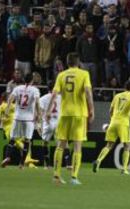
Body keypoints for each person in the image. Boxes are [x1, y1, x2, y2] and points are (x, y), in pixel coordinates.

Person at [46, 52, 94, 185]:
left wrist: (48, 111)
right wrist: (92, 109)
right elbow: (88, 92)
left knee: (60, 145)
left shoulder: (61, 75)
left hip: (65, 114)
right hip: (79, 114)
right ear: (78, 63)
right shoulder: (84, 74)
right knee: (78, 146)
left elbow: (54, 94)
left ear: (67, 63)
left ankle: (56, 175)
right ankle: (74, 177)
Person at [0, 93, 38, 168]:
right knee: (24, 143)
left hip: (7, 131)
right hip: (15, 128)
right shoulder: (12, 106)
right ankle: (27, 160)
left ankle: (22, 163)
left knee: (19, 144)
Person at [92, 81, 130, 175]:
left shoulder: (117, 96)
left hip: (113, 122)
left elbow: (110, 110)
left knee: (109, 145)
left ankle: (98, 160)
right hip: (124, 123)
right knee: (127, 145)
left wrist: (112, 119)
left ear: (124, 87)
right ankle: (124, 169)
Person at [1, 73, 41, 169]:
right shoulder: (35, 90)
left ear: (24, 80)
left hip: (17, 117)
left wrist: (6, 110)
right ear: (32, 80)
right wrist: (39, 115)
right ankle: (21, 163)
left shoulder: (17, 88)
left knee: (12, 139)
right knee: (27, 141)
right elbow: (37, 102)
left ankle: (7, 157)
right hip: (28, 119)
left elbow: (10, 99)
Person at [39, 82, 72, 169]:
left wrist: (41, 124)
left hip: (48, 123)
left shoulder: (42, 98)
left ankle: (47, 165)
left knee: (45, 143)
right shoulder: (61, 97)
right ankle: (68, 163)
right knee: (64, 143)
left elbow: (40, 113)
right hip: (59, 122)